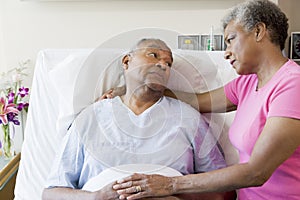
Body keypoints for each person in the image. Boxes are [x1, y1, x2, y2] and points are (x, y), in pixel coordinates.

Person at [105, 1, 300, 200]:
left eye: (231, 39)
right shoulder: (246, 84)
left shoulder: (293, 84)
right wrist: (133, 89)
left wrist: (170, 184)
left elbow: (256, 172)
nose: (226, 53)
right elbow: (194, 100)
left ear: (258, 31)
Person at [42, 38, 233, 200]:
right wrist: (96, 196)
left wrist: (171, 190)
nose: (162, 65)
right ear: (126, 62)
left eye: (168, 63)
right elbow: (51, 193)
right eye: (153, 55)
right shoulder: (89, 118)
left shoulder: (189, 118)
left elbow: (224, 191)